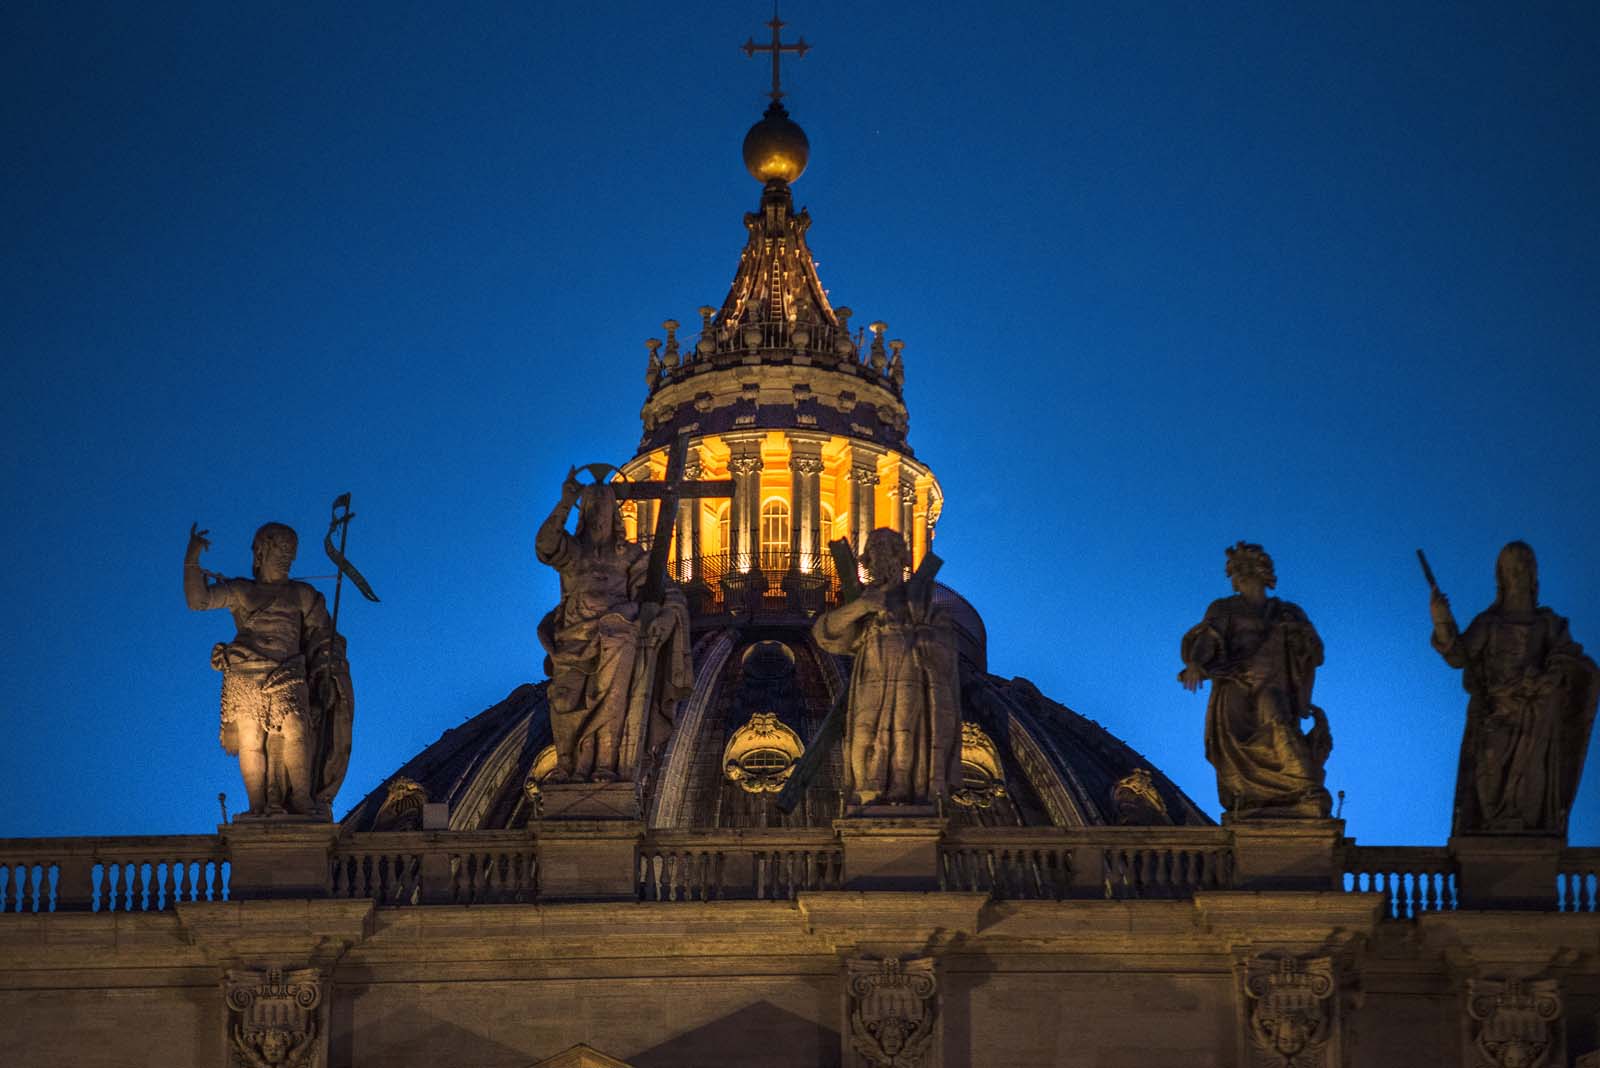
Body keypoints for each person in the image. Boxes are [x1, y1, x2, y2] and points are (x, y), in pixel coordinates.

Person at [1430, 541, 1598, 836]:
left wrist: (1547, 680)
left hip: (1536, 719)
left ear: (1534, 574)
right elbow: (1458, 655)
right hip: (1496, 715)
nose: (1519, 572)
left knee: (1531, 786)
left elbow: (1570, 663)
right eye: (1513, 566)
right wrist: (1441, 618)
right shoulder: (1489, 623)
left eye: (1525, 565)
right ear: (1502, 576)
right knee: (1490, 776)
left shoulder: (1549, 624)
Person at [185, 522, 351, 818]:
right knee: (251, 741)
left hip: (288, 673)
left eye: (292, 551)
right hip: (245, 674)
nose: (288, 556)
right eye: (281, 549)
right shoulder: (241, 591)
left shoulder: (302, 594)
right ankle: (257, 806)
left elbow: (325, 637)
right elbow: (198, 601)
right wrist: (192, 559)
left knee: (297, 730)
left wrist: (328, 668)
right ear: (261, 551)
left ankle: (301, 799)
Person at [537, 468, 690, 783]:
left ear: (616, 517)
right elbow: (546, 546)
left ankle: (604, 765)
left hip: (617, 638)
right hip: (570, 640)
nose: (598, 520)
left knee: (613, 700)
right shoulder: (573, 554)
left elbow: (666, 591)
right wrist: (565, 502)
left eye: (604, 511)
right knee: (564, 702)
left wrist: (664, 616)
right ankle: (569, 766)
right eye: (592, 511)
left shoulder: (631, 556)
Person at [1178, 542, 1331, 819]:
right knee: (1239, 746)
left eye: (1240, 572)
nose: (1236, 579)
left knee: (1278, 722)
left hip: (1273, 684)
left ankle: (1303, 784)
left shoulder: (1288, 612)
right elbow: (1208, 637)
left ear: (1258, 573)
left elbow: (1314, 652)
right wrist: (1196, 662)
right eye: (1236, 573)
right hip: (1236, 682)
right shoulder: (1224, 608)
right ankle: (1258, 797)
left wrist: (1299, 637)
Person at [812, 527, 960, 809]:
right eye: (876, 550)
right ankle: (867, 788)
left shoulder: (922, 602)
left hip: (910, 670)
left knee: (905, 731)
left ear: (903, 558)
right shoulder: (860, 599)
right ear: (866, 560)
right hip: (872, 670)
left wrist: (925, 638)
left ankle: (900, 792)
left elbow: (944, 640)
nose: (882, 557)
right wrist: (860, 607)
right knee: (863, 733)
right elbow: (826, 634)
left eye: (889, 549)